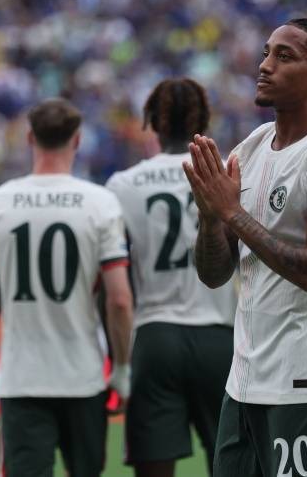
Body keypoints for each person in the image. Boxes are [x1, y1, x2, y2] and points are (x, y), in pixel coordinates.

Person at [183, 18, 307, 477]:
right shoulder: (249, 150)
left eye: (285, 57)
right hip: (244, 384)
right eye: (267, 53)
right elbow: (214, 273)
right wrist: (211, 218)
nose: (265, 65)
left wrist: (232, 214)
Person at [0, 98, 134, 477]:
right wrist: (121, 368)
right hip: (83, 377)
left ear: (29, 138)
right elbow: (119, 300)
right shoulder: (100, 203)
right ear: (77, 140)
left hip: (22, 379)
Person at [106, 78, 237, 477]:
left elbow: (111, 276)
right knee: (232, 464)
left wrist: (117, 360)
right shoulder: (229, 174)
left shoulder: (123, 185)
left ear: (153, 122)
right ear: (204, 120)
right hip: (219, 335)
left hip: (154, 334)